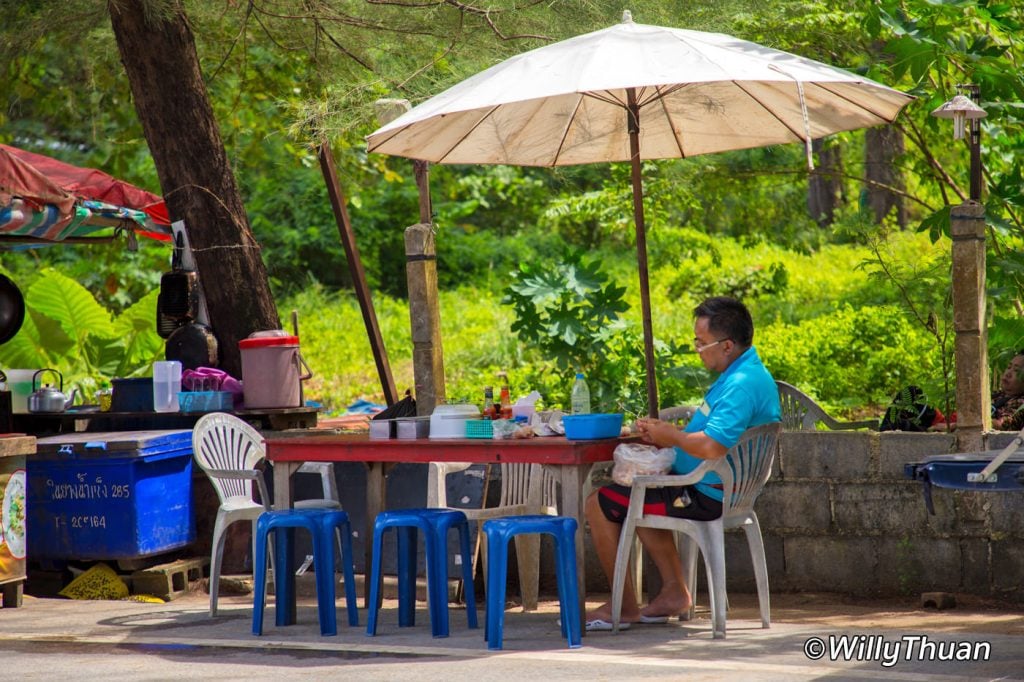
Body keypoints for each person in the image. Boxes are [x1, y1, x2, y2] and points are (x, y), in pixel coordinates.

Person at [583, 296, 781, 631]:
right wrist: (662, 436)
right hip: (707, 486)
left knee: (598, 503)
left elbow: (712, 445)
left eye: (702, 343)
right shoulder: (742, 372)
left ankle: (626, 605)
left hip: (707, 495)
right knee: (639, 495)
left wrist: (672, 437)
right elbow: (702, 432)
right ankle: (675, 592)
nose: (698, 350)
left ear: (728, 345)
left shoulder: (741, 386)